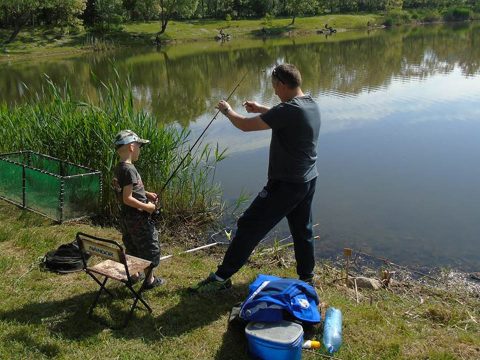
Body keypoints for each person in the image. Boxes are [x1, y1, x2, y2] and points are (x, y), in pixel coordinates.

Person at [191, 63, 321, 293]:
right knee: (303, 230)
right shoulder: (310, 104)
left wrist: (227, 110)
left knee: (249, 225)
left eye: (274, 87)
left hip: (285, 184)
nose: (274, 91)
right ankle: (307, 278)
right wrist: (261, 108)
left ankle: (221, 278)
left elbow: (243, 126)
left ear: (282, 84)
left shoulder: (287, 110)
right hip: (307, 180)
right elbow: (286, 114)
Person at [112, 130, 164, 289]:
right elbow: (127, 198)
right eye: (139, 146)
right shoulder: (129, 170)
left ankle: (134, 274)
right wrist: (147, 207)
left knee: (132, 245)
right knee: (148, 247)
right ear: (131, 147)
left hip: (127, 218)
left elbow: (124, 191)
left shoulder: (120, 168)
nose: (140, 149)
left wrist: (146, 193)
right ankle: (150, 281)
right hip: (138, 218)